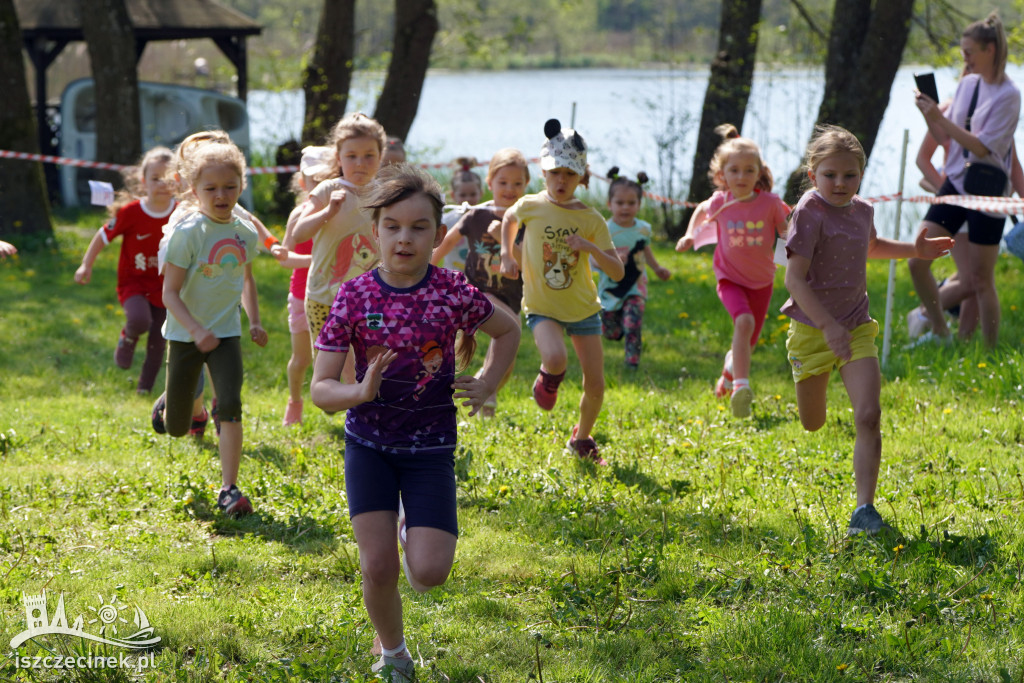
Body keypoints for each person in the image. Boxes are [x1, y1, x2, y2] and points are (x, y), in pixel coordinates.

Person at [309, 164, 519, 682]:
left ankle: (411, 528)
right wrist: (358, 392)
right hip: (369, 446)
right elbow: (320, 388)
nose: (405, 238)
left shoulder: (451, 290)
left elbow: (508, 330)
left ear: (436, 233)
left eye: (419, 227)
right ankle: (395, 655)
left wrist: (489, 382)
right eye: (393, 227)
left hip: (430, 450)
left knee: (428, 573)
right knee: (377, 566)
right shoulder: (354, 297)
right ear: (375, 231)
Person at [782, 125, 953, 536]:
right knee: (812, 422)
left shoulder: (863, 211)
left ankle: (864, 510)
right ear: (813, 175)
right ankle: (810, 382)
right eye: (830, 175)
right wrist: (826, 326)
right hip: (811, 331)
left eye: (849, 175)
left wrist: (916, 250)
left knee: (869, 415)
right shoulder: (808, 212)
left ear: (860, 174)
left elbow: (871, 247)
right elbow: (794, 280)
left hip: (856, 326)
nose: (840, 183)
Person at [151, 140, 268, 517]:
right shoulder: (188, 234)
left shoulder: (245, 232)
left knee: (231, 403)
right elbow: (168, 294)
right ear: (193, 190)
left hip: (226, 334)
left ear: (241, 185)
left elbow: (247, 280)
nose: (222, 195)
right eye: (211, 188)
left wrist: (255, 321)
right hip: (185, 335)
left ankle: (229, 489)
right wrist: (197, 330)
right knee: (176, 428)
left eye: (230, 187)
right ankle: (171, 405)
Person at [500, 119, 625, 464]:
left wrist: (591, 248)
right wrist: (506, 254)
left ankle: (581, 437)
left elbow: (616, 270)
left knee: (596, 385)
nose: (561, 180)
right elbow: (509, 219)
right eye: (555, 172)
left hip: (584, 307)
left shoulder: (592, 219)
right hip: (542, 304)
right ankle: (548, 377)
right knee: (555, 358)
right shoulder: (530, 205)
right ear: (543, 171)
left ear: (582, 177)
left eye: (570, 174)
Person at [908, 11, 1020, 347]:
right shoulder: (967, 83)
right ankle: (940, 329)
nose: (964, 58)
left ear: (990, 50)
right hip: (954, 182)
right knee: (917, 261)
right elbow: (945, 138)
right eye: (962, 51)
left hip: (987, 191)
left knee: (981, 281)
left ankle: (989, 352)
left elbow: (984, 148)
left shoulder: (1009, 95)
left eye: (969, 51)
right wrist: (931, 116)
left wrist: (943, 121)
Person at [675, 125, 789, 416]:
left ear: (759, 172)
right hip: (729, 279)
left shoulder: (771, 204)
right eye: (734, 171)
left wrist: (795, 261)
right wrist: (690, 234)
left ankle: (728, 373)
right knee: (745, 323)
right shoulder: (721, 202)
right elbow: (701, 210)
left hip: (762, 282)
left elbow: (787, 231)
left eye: (749, 170)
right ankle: (741, 386)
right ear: (721, 174)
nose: (741, 177)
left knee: (746, 344)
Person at [432, 148, 530, 416]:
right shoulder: (477, 216)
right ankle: (485, 396)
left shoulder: (528, 221)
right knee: (511, 330)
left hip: (511, 296)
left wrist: (504, 239)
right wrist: (423, 269)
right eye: (503, 183)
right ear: (490, 184)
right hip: (477, 290)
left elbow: (531, 266)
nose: (510, 189)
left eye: (517, 183)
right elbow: (448, 242)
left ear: (527, 185)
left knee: (506, 357)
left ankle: (485, 391)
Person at [287, 112, 385, 377]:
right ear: (339, 157)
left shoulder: (385, 195)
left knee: (365, 363)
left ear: (380, 156)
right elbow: (298, 233)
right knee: (329, 368)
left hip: (369, 297)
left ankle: (360, 412)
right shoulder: (328, 189)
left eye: (369, 156)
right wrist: (328, 211)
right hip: (323, 296)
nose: (360, 163)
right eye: (351, 156)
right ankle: (338, 399)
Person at [74, 147, 176, 394]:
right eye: (155, 178)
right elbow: (101, 236)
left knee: (159, 340)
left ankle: (144, 388)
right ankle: (128, 337)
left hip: (167, 287)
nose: (162, 184)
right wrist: (86, 264)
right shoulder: (130, 212)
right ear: (143, 182)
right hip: (134, 284)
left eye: (169, 178)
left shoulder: (182, 213)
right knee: (141, 320)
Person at [596, 167, 670, 369]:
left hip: (636, 287)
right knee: (609, 331)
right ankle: (617, 330)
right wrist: (609, 260)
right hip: (610, 288)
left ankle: (632, 362)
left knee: (633, 322)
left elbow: (645, 250)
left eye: (631, 203)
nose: (625, 208)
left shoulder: (643, 228)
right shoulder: (605, 229)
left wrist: (657, 268)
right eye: (620, 203)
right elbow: (593, 257)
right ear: (609, 204)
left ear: (639, 204)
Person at [276, 146, 329, 426]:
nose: (319, 186)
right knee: (302, 358)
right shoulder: (298, 215)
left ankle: (351, 407)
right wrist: (314, 259)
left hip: (336, 297)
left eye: (326, 178)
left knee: (347, 356)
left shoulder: (341, 213)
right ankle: (295, 401)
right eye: (313, 180)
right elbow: (285, 259)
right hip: (301, 296)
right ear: (302, 182)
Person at [440, 157, 485, 272]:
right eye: (463, 195)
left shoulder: (487, 218)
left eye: (473, 194)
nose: (468, 199)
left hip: (480, 279)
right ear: (453, 195)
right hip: (452, 278)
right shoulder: (446, 221)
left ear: (481, 193)